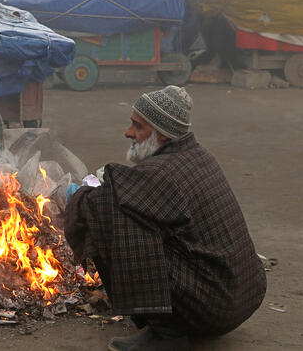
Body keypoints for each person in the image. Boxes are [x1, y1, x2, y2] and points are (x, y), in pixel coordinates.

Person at [64, 86, 266, 351]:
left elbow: (99, 202)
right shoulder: (197, 156)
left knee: (112, 212)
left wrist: (76, 197)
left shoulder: (163, 172)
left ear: (161, 135)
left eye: (138, 127)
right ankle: (167, 322)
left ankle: (166, 335)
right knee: (125, 206)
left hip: (215, 308)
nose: (128, 133)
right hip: (244, 297)